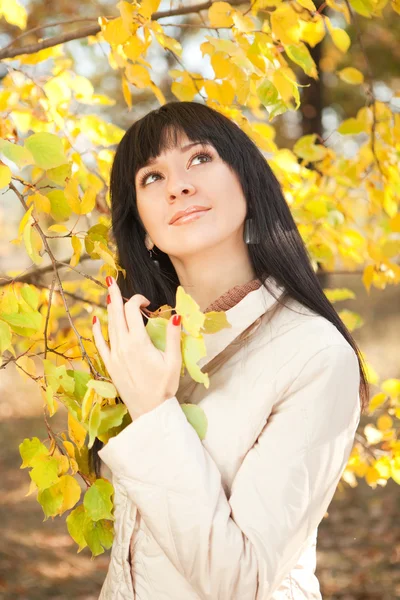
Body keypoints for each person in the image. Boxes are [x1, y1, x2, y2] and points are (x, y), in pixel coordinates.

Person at [90, 101, 369, 599]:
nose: (177, 185)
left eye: (199, 158)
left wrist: (154, 413)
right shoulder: (145, 342)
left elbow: (244, 582)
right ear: (143, 228)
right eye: (151, 177)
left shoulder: (315, 355)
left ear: (248, 183)